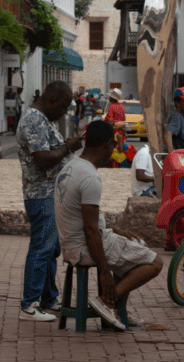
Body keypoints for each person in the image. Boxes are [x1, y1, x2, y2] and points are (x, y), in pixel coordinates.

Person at [54, 120, 162, 330]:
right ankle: (106, 302)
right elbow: (90, 229)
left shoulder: (70, 167)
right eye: (114, 146)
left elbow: (88, 219)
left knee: (131, 246)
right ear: (107, 145)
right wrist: (104, 272)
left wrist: (115, 230)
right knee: (154, 262)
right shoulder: (90, 177)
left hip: (70, 243)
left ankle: (117, 308)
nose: (114, 151)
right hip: (84, 246)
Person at [17, 81, 84, 322]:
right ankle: (30, 304)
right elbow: (43, 159)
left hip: (52, 193)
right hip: (41, 194)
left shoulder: (44, 120)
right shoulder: (34, 120)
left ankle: (48, 300)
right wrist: (68, 146)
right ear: (52, 101)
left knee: (51, 249)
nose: (65, 112)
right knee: (42, 248)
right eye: (64, 106)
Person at [164, 87, 184, 152]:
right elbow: (168, 133)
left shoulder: (181, 117)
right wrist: (171, 152)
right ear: (177, 103)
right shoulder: (177, 116)